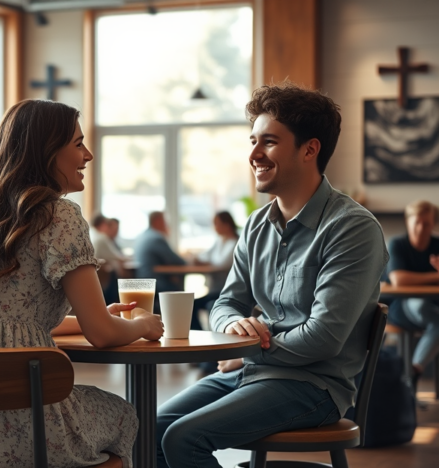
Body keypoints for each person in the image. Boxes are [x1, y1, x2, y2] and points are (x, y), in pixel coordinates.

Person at [156, 82, 388, 468]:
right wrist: (234, 327)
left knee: (184, 438)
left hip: (313, 386)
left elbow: (323, 338)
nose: (253, 154)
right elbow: (226, 302)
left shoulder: (352, 228)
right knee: (148, 427)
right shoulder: (256, 225)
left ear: (309, 149)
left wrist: (248, 347)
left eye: (268, 142)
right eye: (252, 141)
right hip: (253, 371)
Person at [0, 99, 164, 468]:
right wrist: (141, 325)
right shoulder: (59, 215)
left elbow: (12, 318)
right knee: (124, 413)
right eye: (77, 144)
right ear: (45, 150)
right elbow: (102, 335)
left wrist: (95, 315)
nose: (87, 155)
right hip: (24, 413)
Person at [387, 200, 439, 382]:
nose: (420, 228)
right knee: (425, 307)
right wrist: (435, 276)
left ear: (433, 224)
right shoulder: (397, 244)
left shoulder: (437, 244)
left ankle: (415, 369)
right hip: (400, 307)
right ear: (408, 222)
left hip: (433, 307)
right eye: (416, 222)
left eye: (426, 224)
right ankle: (414, 370)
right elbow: (398, 280)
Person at [192, 211, 239, 321]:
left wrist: (205, 261)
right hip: (214, 289)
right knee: (192, 304)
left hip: (225, 291)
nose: (214, 227)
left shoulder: (235, 243)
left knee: (195, 305)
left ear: (226, 225)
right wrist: (198, 259)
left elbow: (222, 264)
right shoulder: (219, 241)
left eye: (216, 223)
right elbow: (206, 256)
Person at [135, 211, 186, 310]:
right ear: (158, 221)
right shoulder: (156, 238)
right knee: (181, 294)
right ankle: (183, 321)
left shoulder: (142, 236)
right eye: (164, 221)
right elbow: (177, 261)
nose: (166, 224)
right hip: (155, 283)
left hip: (142, 280)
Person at [90, 213, 128, 303]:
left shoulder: (95, 236)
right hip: (104, 275)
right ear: (103, 224)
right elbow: (117, 256)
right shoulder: (102, 238)